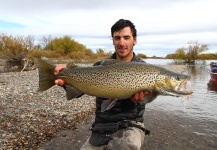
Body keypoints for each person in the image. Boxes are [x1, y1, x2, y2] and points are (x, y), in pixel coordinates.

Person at [54, 19, 150, 150]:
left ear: (134, 40)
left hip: (130, 126)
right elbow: (78, 91)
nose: (122, 43)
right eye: (117, 38)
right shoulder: (100, 66)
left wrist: (135, 100)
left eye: (126, 37)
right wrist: (65, 81)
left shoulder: (145, 69)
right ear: (113, 40)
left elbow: (143, 103)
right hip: (101, 127)